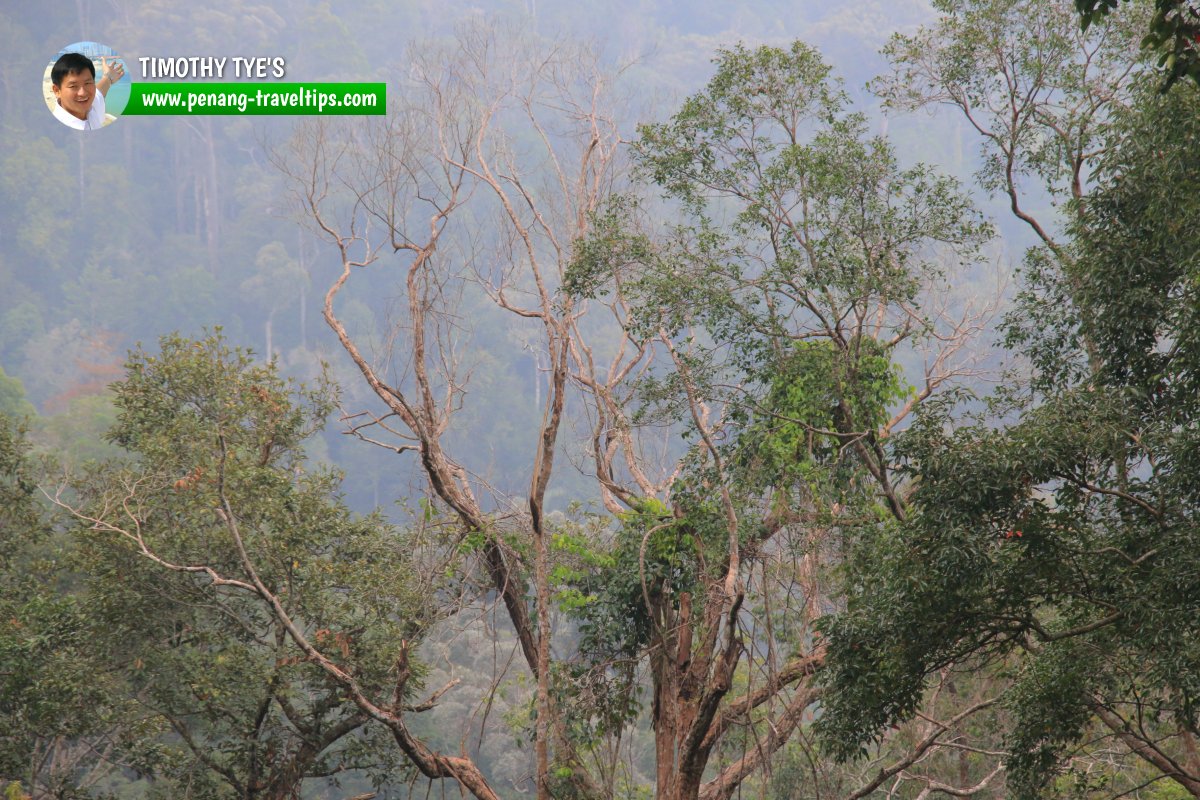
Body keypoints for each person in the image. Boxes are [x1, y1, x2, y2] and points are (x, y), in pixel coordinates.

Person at [50, 52, 124, 131]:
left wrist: (108, 77)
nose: (83, 93)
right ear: (57, 91)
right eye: (73, 86)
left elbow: (99, 92)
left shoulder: (91, 107)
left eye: (87, 83)